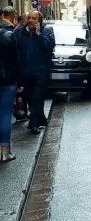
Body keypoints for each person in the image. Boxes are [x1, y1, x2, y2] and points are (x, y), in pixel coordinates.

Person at [12, 11, 55, 135]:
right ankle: (40, 117)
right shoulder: (20, 32)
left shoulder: (47, 31)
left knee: (37, 97)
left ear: (39, 20)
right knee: (30, 98)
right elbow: (15, 51)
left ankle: (34, 124)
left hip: (41, 73)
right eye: (29, 17)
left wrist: (38, 34)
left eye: (34, 18)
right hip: (26, 73)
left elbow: (49, 46)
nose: (31, 20)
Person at [0, 27, 18, 163]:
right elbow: (15, 60)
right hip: (7, 80)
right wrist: (20, 81)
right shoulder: (8, 35)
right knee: (5, 115)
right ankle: (5, 153)